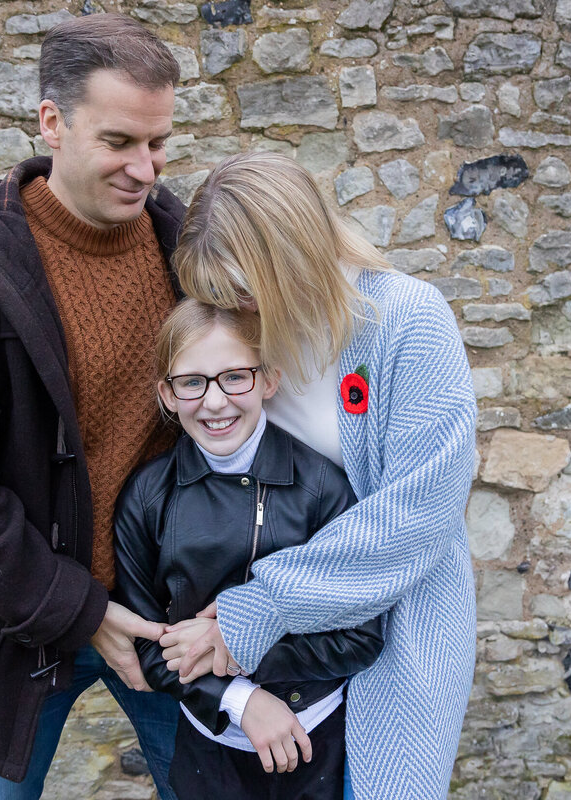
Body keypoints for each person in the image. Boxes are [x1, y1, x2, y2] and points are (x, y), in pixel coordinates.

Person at [0, 14, 186, 799]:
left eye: (159, 144)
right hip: (22, 620)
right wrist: (75, 607)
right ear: (52, 121)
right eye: (119, 141)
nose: (145, 168)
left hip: (169, 614)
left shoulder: (186, 243)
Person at [158, 151, 479, 799]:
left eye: (244, 291)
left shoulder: (408, 321)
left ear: (295, 257)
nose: (233, 311)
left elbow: (417, 517)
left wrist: (258, 607)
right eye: (216, 296)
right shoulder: (243, 339)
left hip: (392, 639)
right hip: (266, 664)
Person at [112, 300, 385, 799]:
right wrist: (240, 700)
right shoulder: (147, 497)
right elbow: (149, 640)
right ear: (166, 395)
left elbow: (362, 635)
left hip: (317, 735)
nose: (215, 402)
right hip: (209, 742)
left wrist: (244, 650)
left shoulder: (324, 488)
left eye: (234, 376)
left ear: (269, 380)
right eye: (192, 382)